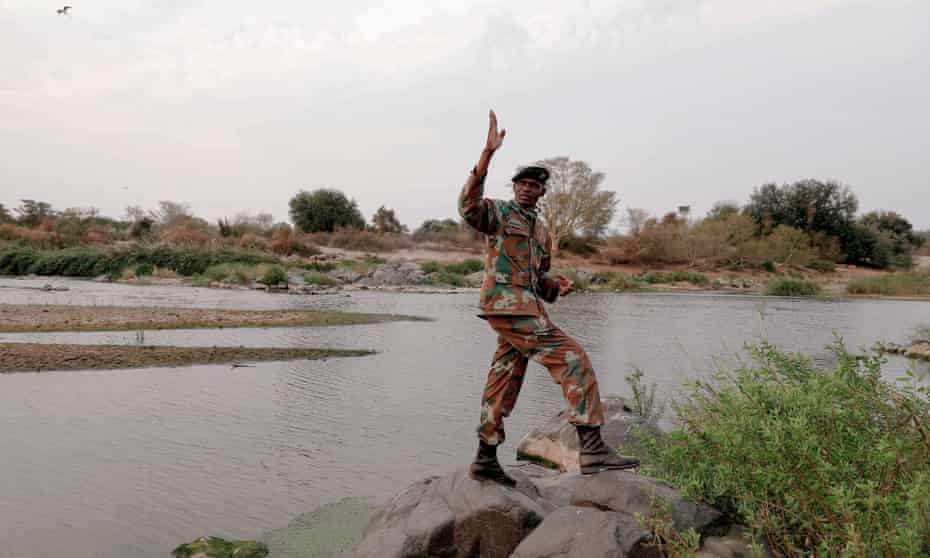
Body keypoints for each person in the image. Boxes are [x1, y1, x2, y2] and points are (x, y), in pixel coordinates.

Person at [458, 110, 640, 486]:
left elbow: (537, 279)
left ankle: (485, 458)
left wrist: (554, 286)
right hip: (506, 307)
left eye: (533, 184)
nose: (526, 188)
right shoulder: (497, 213)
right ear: (514, 188)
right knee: (573, 358)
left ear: (542, 191)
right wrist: (487, 155)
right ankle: (591, 447)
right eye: (521, 183)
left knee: (505, 378)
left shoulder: (541, 231)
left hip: (525, 307)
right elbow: (467, 206)